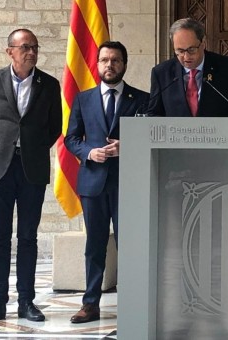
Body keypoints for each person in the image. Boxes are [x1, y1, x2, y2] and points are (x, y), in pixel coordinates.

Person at [0, 28, 62, 323]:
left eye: (35, 47)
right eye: (25, 47)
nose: (31, 52)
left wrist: (31, 149)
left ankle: (27, 301)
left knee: (27, 237)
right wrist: (6, 147)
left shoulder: (49, 84)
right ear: (9, 50)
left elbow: (54, 128)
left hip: (32, 169)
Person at [65, 41, 149, 324]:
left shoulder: (143, 99)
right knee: (95, 244)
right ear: (97, 64)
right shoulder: (83, 99)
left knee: (131, 244)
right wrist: (89, 152)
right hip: (93, 183)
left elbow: (153, 137)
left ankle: (134, 302)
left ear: (124, 64)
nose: (109, 65)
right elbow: (71, 139)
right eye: (104, 60)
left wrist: (130, 146)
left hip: (129, 183)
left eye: (115, 60)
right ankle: (90, 304)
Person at [146, 17, 228, 120]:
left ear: (203, 43)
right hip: (176, 135)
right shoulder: (161, 73)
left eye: (191, 49)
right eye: (180, 51)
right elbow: (153, 114)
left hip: (216, 136)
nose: (186, 57)